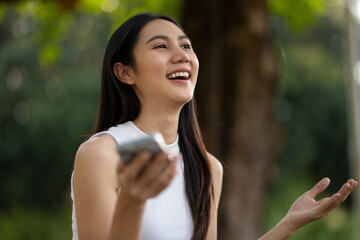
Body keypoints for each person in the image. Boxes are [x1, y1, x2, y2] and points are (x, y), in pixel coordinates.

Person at [71, 12, 358, 240]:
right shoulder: (103, 154)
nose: (182, 54)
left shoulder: (207, 167)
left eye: (186, 45)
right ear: (125, 72)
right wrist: (132, 202)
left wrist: (288, 225)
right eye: (160, 45)